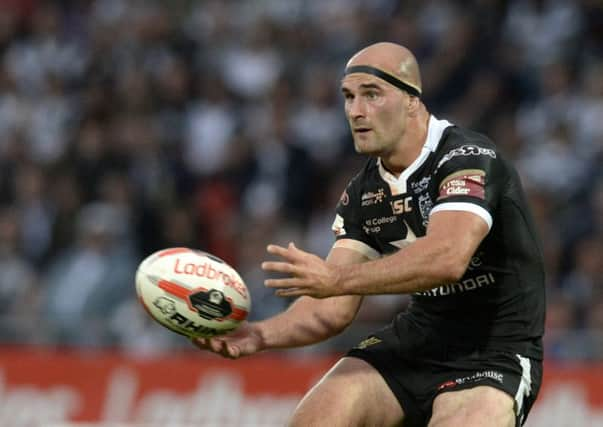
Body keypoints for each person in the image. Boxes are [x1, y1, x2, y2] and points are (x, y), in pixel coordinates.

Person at [193, 42, 545, 427]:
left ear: (412, 100)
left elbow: (448, 258)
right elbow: (332, 307)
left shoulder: (467, 158)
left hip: (496, 351)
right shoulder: (364, 191)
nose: (355, 111)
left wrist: (335, 278)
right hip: (417, 342)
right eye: (348, 97)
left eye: (371, 94)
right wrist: (259, 334)